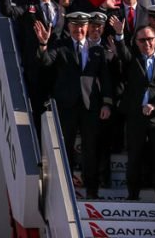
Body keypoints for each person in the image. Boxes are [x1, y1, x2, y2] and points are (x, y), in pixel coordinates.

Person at [34, 12, 112, 199]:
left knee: (91, 149)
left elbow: (106, 79)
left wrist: (106, 104)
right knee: (66, 147)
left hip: (90, 107)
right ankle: (67, 191)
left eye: (82, 26)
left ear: (87, 27)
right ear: (69, 27)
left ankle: (92, 191)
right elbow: (45, 62)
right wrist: (43, 44)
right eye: (75, 26)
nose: (78, 30)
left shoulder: (97, 50)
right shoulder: (60, 47)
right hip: (66, 106)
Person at [0, 0, 69, 129]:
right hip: (35, 65)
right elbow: (8, 11)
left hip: (56, 66)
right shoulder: (29, 7)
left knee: (59, 107)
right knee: (37, 109)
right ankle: (39, 147)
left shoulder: (60, 10)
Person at [113, 25, 155, 201]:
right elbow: (122, 51)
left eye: (150, 39)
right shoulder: (131, 61)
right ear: (137, 42)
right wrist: (119, 34)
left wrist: (154, 105)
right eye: (142, 40)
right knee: (134, 158)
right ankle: (133, 195)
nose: (147, 43)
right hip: (135, 118)